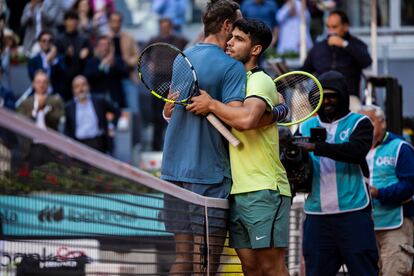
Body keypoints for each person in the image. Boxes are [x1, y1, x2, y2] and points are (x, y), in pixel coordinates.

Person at [185, 18, 291, 276]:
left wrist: (211, 105)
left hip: (264, 188)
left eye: (239, 39)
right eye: (230, 37)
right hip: (236, 190)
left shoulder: (259, 80)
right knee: (250, 268)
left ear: (256, 50)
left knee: (271, 267)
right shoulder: (233, 81)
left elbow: (245, 120)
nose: (230, 43)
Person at [159, 1, 244, 274]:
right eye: (238, 24)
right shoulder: (232, 67)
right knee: (207, 266)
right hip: (208, 175)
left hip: (173, 172)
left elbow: (170, 109)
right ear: (227, 26)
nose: (241, 31)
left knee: (183, 260)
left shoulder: (181, 57)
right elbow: (237, 119)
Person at [294, 70, 379, 276]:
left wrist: (317, 147)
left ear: (343, 97)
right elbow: (293, 163)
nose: (328, 101)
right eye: (323, 96)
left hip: (354, 214)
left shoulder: (360, 123)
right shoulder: (305, 126)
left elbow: (355, 151)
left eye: (333, 96)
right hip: (317, 217)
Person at [359, 104, 414, 276]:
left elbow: (410, 185)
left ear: (382, 123)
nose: (365, 127)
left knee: (394, 271)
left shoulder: (400, 148)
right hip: (364, 228)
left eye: (370, 121)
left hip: (395, 226)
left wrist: (379, 193)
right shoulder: (355, 150)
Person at [301, 10, 372, 104]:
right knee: (301, 101)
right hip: (320, 95)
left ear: (345, 27)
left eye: (334, 27)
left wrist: (344, 44)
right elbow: (304, 72)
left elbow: (366, 62)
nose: (330, 31)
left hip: (348, 96)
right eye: (328, 27)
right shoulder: (319, 48)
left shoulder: (356, 44)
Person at [146, 17, 188, 151]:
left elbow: (192, 45)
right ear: (160, 27)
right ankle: (155, 147)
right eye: (162, 26)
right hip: (158, 81)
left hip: (176, 82)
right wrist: (150, 63)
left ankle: (176, 146)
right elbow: (144, 53)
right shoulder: (154, 40)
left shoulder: (180, 40)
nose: (165, 29)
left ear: (171, 27)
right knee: (157, 116)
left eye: (167, 26)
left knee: (176, 114)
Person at [65, 75, 118, 153]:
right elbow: (67, 129)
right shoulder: (69, 107)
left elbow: (116, 111)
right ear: (73, 90)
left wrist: (112, 126)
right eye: (77, 86)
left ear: (88, 86)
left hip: (98, 143)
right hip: (78, 144)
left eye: (83, 85)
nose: (81, 89)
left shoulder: (99, 100)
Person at [27, 30, 65, 96]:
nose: (46, 43)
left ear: (52, 43)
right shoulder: (33, 61)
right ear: (39, 43)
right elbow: (34, 77)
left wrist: (53, 61)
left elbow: (63, 75)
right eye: (44, 41)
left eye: (49, 41)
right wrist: (46, 63)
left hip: (56, 93)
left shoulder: (60, 58)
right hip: (39, 93)